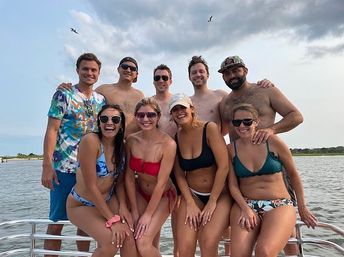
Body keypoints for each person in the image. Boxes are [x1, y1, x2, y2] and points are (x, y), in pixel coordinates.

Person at [218, 55, 304, 254]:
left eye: (236, 70)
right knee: (238, 241)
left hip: (272, 165)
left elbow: (296, 116)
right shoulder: (225, 103)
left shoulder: (265, 90)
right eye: (227, 73)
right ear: (223, 77)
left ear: (245, 71)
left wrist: (272, 129)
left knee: (288, 240)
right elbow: (219, 130)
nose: (232, 75)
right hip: (240, 171)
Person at [228, 103, 317, 257]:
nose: (242, 125)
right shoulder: (230, 150)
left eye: (247, 121)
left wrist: (302, 207)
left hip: (279, 204)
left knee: (264, 252)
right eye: (237, 122)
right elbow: (233, 185)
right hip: (246, 205)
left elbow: (294, 175)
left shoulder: (274, 142)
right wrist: (245, 208)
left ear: (256, 122)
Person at [41, 53, 106, 255]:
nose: (89, 73)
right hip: (64, 169)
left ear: (98, 73)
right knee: (56, 223)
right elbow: (52, 130)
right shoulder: (64, 95)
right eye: (85, 68)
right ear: (77, 70)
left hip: (90, 172)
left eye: (93, 70)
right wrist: (46, 166)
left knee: (86, 225)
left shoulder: (101, 100)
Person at [66, 104, 139, 257]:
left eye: (115, 119)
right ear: (99, 122)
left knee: (129, 236)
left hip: (107, 198)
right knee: (111, 241)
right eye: (104, 119)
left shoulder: (122, 147)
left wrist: (123, 206)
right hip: (80, 204)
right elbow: (91, 187)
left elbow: (118, 182)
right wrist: (113, 220)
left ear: (121, 124)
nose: (109, 123)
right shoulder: (91, 141)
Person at [170, 93, 231, 257]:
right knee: (184, 248)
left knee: (208, 242)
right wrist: (189, 201)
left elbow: (224, 166)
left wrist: (212, 201)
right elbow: (179, 174)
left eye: (182, 107)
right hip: (193, 195)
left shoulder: (209, 128)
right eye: (175, 109)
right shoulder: (175, 138)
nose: (179, 112)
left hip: (220, 195)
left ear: (191, 109)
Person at [125, 97, 177, 257]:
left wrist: (147, 215)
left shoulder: (168, 144)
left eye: (150, 115)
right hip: (140, 192)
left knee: (143, 242)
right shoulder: (132, 140)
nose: (145, 119)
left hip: (164, 195)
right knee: (133, 238)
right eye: (140, 115)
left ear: (158, 117)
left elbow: (161, 183)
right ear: (136, 116)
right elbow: (128, 176)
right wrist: (134, 210)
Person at [59, 56, 144, 137]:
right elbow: (85, 96)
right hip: (110, 141)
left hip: (131, 142)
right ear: (118, 69)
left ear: (136, 74)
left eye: (132, 69)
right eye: (125, 66)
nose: (128, 70)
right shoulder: (104, 90)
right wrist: (68, 87)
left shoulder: (140, 96)